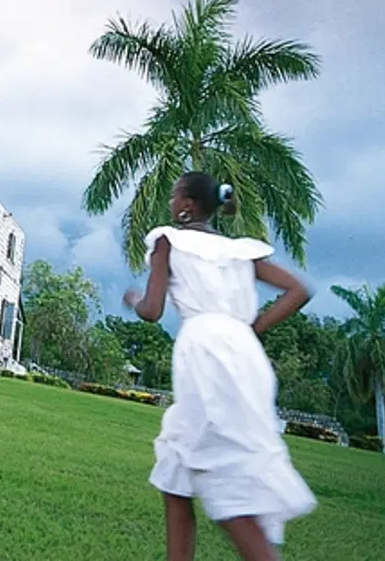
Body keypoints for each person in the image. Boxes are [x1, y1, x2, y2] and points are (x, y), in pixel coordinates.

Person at [122, 172, 317, 561]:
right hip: (244, 355)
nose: (171, 202)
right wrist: (251, 328)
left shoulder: (167, 240)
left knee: (222, 473)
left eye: (174, 195)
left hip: (205, 354)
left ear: (187, 205)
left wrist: (133, 299)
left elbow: (152, 310)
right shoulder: (240, 251)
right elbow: (299, 290)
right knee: (178, 465)